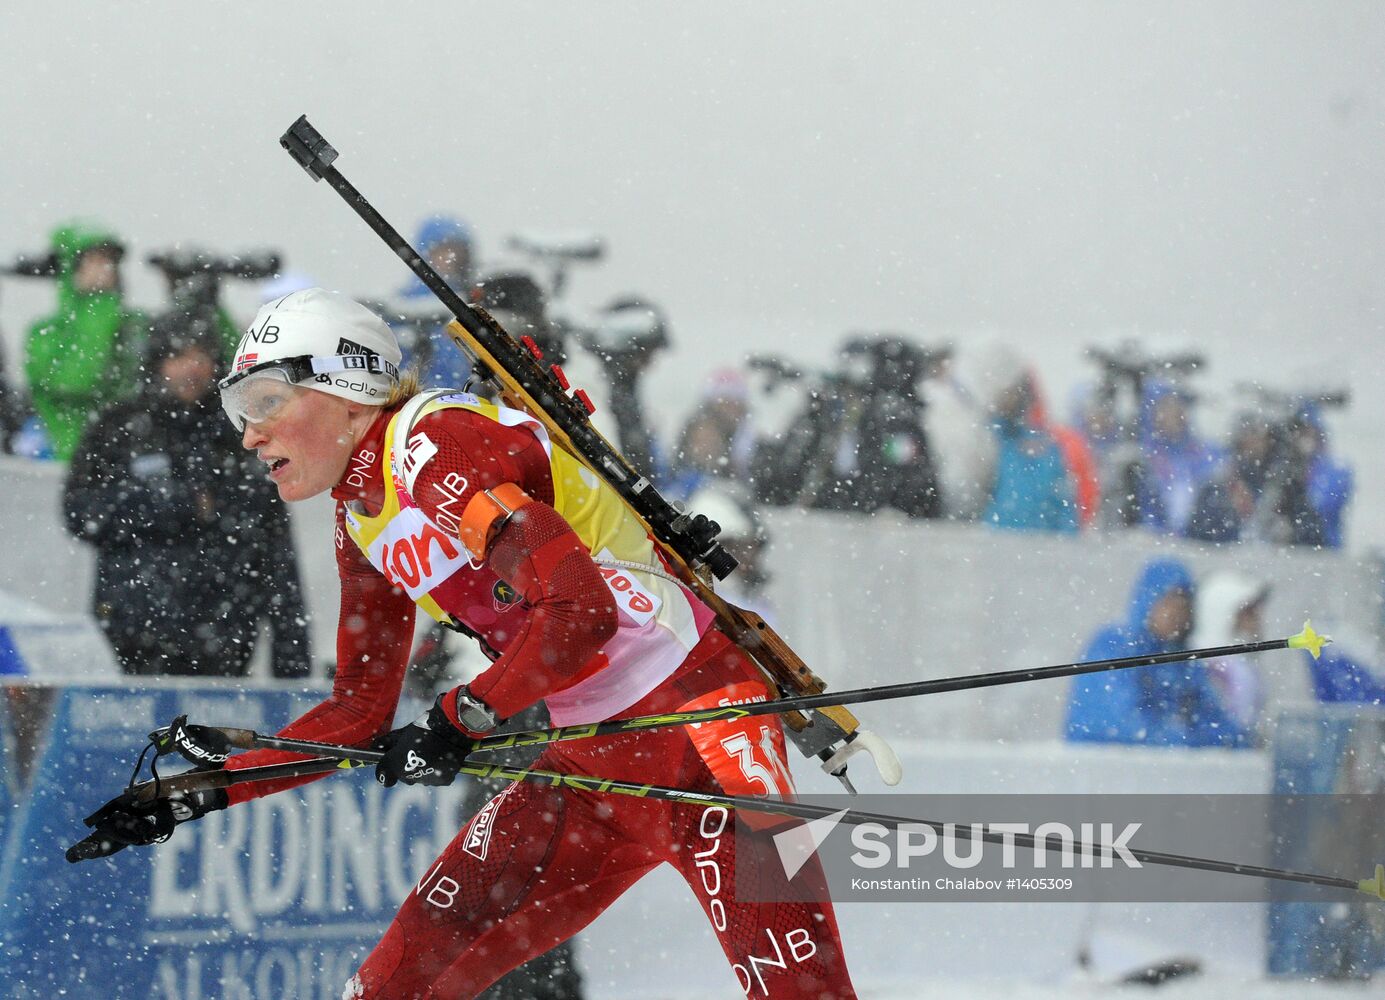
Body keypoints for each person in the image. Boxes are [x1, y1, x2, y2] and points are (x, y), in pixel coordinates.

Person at [80, 290, 854, 999]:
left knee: (800, 991)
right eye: (235, 409)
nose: (248, 435)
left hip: (697, 729)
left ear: (345, 392)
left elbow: (579, 613)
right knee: (397, 980)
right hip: (587, 762)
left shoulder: (437, 449)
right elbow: (356, 712)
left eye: (265, 401)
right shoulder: (360, 515)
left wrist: (463, 717)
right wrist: (190, 792)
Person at [62, 310, 310, 677]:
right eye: (177, 356)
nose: (191, 368)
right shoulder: (118, 426)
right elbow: (79, 513)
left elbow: (278, 559)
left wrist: (293, 668)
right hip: (127, 646)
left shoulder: (245, 435)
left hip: (224, 651)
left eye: (201, 356)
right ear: (157, 361)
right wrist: (170, 505)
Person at [1065, 558, 1248, 747]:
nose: (1177, 613)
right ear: (1147, 601)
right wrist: (1192, 740)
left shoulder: (1182, 660)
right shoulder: (1113, 645)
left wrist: (1235, 740)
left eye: (1184, 606)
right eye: (1168, 603)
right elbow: (1123, 724)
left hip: (1162, 769)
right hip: (1101, 767)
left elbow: (1214, 718)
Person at [23, 221, 148, 460]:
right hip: (68, 463)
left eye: (109, 261)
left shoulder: (132, 325)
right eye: (93, 261)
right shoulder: (45, 333)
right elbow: (78, 381)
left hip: (127, 464)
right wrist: (98, 303)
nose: (105, 269)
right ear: (71, 269)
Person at [972, 345, 1079, 534]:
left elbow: (1064, 503)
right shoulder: (984, 440)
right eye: (1001, 392)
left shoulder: (1047, 445)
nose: (1006, 399)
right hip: (996, 543)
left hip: (1041, 546)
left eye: (1012, 391)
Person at [1188, 570, 1271, 746]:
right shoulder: (1209, 666)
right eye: (1248, 613)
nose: (1256, 620)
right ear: (1223, 613)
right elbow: (1216, 725)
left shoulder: (1239, 663)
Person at [1135, 383, 1220, 536]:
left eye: (1177, 407)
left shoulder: (1206, 453)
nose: (1171, 415)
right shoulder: (1141, 457)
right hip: (1153, 542)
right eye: (1164, 407)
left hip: (1199, 540)